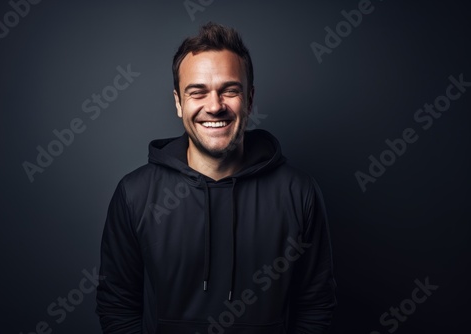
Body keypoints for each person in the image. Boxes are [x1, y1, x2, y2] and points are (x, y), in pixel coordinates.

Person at [96, 22, 337, 334]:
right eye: (198, 92)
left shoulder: (298, 192)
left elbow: (316, 305)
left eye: (230, 90)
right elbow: (117, 306)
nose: (214, 106)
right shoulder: (134, 194)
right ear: (178, 103)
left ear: (249, 100)